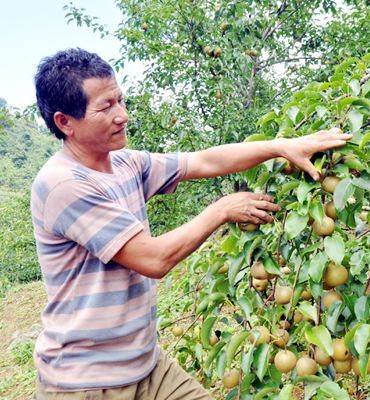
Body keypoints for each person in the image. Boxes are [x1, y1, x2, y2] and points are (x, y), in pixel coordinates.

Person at [31, 48, 351, 399]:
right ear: (65, 122)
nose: (122, 115)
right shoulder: (64, 185)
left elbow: (204, 160)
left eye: (121, 100)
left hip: (147, 366)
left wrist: (281, 146)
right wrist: (222, 209)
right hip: (87, 383)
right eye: (106, 107)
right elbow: (153, 259)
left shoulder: (124, 164)